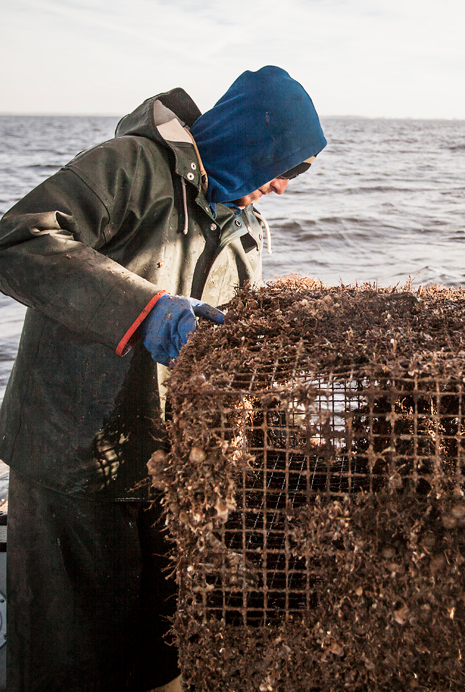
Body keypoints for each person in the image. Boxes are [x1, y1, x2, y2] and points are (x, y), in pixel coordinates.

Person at [0, 65, 326, 692]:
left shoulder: (247, 237)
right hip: (67, 455)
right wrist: (144, 312)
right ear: (246, 137)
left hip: (163, 472)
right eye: (284, 163)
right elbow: (18, 242)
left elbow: (235, 356)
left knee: (157, 654)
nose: (283, 187)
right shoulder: (130, 168)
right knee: (65, 658)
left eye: (299, 172)